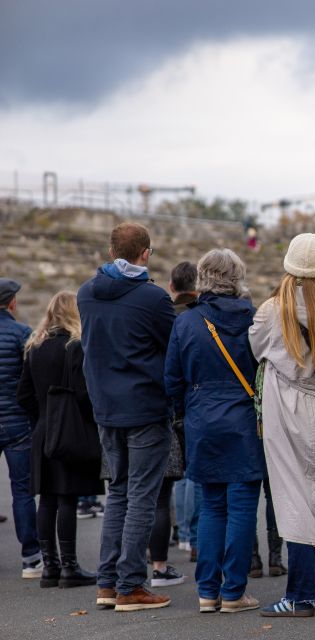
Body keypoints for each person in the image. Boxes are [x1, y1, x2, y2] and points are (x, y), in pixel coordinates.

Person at [250, 233, 315, 618]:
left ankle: (301, 594)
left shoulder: (273, 310)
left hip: (290, 409)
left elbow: (257, 348)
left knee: (295, 499)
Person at [77, 222, 176, 611]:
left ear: (110, 250)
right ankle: (130, 584)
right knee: (142, 497)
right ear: (146, 253)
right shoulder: (152, 299)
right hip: (145, 406)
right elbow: (173, 347)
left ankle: (108, 582)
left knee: (117, 491)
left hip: (106, 406)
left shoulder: (87, 293)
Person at [165, 249, 264, 613]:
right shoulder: (252, 319)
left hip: (202, 420)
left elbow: (172, 380)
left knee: (211, 507)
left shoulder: (187, 323)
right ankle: (234, 591)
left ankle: (208, 591)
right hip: (242, 420)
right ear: (237, 277)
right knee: (241, 509)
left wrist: (184, 415)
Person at [16, 291, 102, 588]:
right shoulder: (74, 346)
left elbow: (23, 395)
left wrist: (42, 414)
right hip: (69, 428)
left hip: (43, 428)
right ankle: (69, 566)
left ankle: (49, 566)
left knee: (47, 499)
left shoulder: (35, 347)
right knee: (67, 496)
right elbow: (83, 393)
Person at [0, 278, 42, 578]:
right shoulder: (21, 333)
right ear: (11, 303)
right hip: (16, 420)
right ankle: (30, 557)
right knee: (22, 490)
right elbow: (32, 381)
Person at [168, 261, 203, 561]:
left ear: (171, 287)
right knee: (194, 474)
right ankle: (192, 534)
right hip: (195, 399)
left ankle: (182, 533)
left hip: (175, 401)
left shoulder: (167, 315)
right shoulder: (198, 315)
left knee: (180, 473)